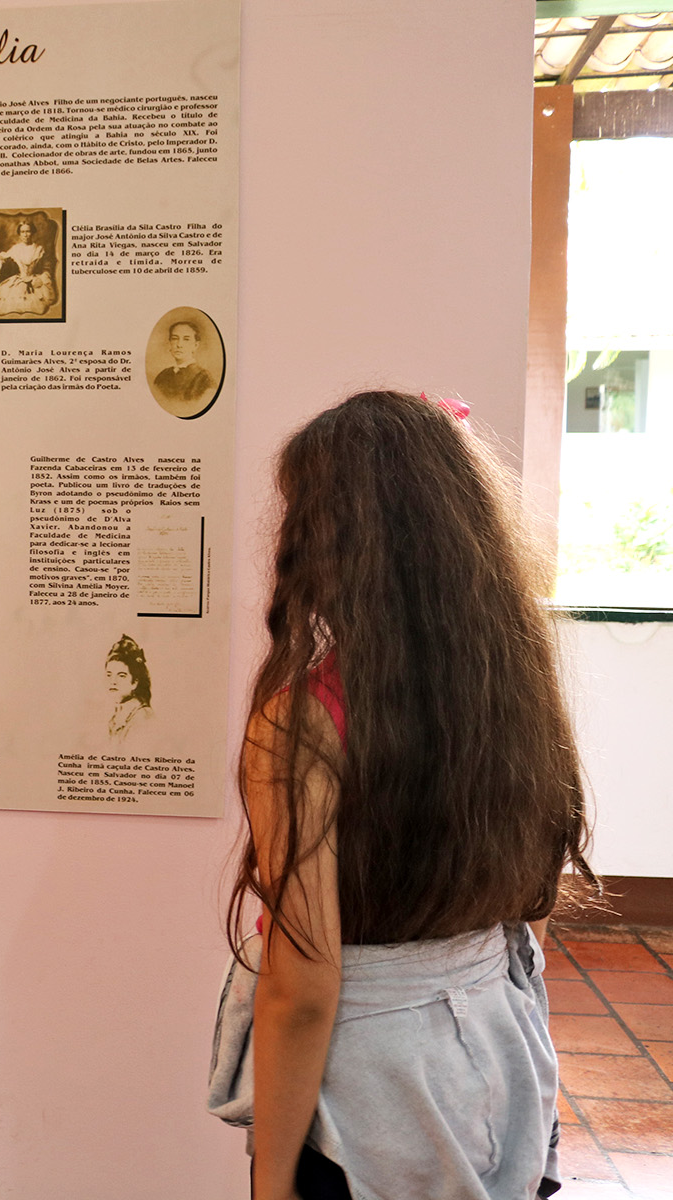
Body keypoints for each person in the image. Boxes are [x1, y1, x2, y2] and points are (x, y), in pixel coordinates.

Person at [214, 390, 594, 1200]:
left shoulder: (304, 721)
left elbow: (303, 987)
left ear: (329, 542)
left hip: (371, 1090)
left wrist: (271, 1183)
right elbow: (533, 902)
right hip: (500, 1052)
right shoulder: (513, 681)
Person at [0, 218, 58, 317]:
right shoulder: (16, 248)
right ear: (19, 234)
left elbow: (47, 267)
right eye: (22, 232)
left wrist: (40, 278)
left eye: (28, 231)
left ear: (33, 232)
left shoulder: (39, 249)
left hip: (34, 280)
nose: (25, 235)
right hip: (19, 280)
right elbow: (3, 258)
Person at [151, 318, 217, 413]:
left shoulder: (204, 379)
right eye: (175, 338)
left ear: (196, 345)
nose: (179, 344)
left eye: (186, 339)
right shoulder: (162, 376)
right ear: (170, 343)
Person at [104, 634, 152, 743]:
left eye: (121, 676)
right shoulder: (116, 718)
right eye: (109, 675)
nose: (113, 681)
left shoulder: (143, 717)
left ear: (134, 682)